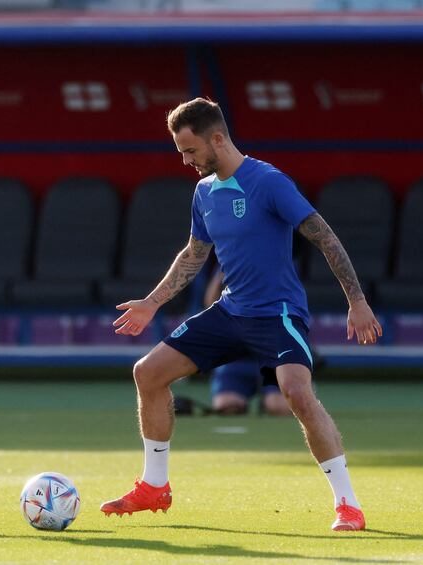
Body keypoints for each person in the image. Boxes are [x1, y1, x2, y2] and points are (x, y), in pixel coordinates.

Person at [100, 98, 382, 531]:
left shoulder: (268, 182)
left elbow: (325, 237)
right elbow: (195, 254)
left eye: (190, 151)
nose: (186, 161)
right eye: (181, 153)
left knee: (295, 393)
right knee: (148, 372)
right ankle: (154, 486)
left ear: (217, 138)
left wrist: (356, 300)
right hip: (231, 312)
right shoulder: (203, 192)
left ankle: (348, 504)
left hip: (278, 314)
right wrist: (153, 301)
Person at [204, 269, 291, 416]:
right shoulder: (230, 262)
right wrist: (222, 275)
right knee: (227, 405)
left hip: (272, 361)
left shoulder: (277, 267)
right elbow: (210, 305)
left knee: (278, 406)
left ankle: (282, 393)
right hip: (236, 361)